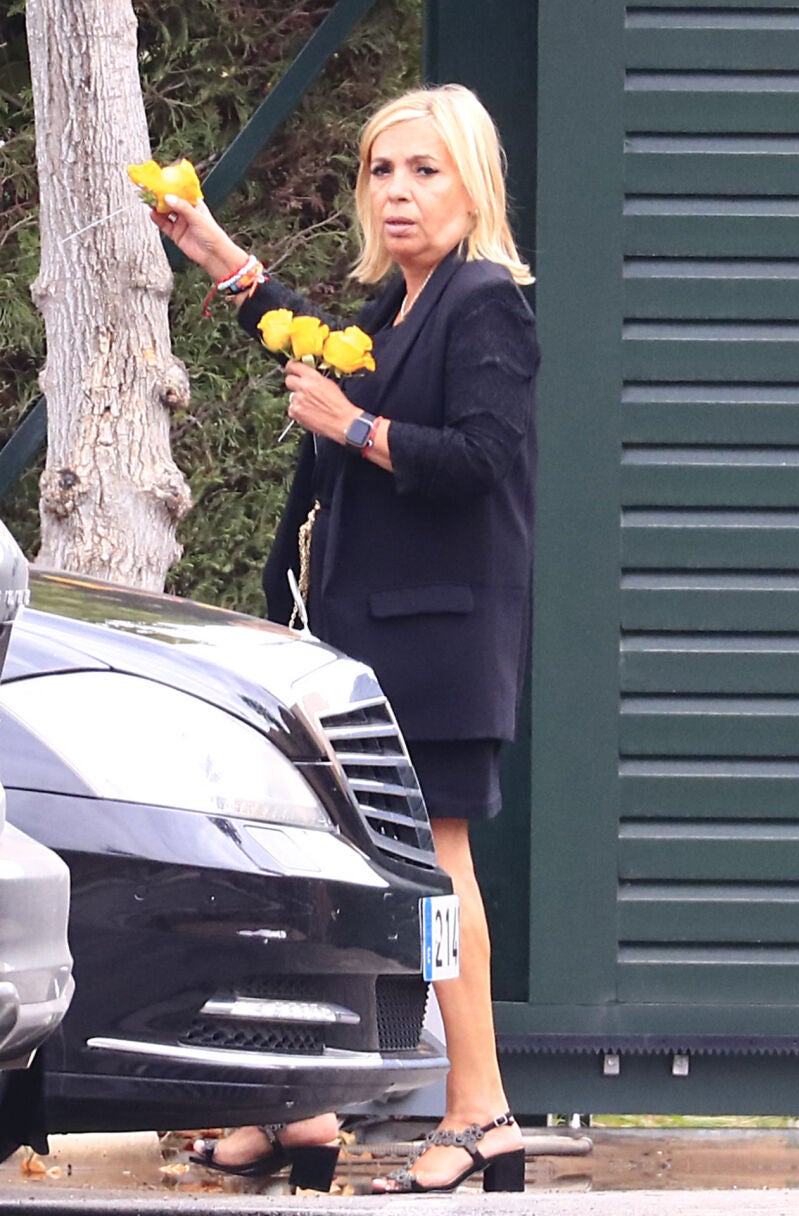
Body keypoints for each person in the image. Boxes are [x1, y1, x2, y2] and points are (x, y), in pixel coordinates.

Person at [152, 82, 538, 1195]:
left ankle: (482, 1111)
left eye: (425, 170)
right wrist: (211, 246)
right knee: (324, 860)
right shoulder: (397, 309)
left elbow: (481, 458)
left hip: (439, 644)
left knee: (437, 866)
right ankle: (302, 1107)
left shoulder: (485, 303)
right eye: (381, 171)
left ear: (472, 184)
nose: (398, 192)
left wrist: (353, 425)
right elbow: (308, 337)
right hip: (359, 639)